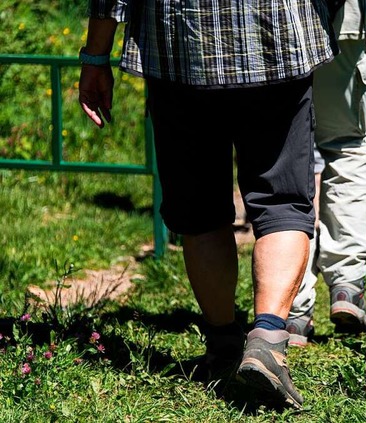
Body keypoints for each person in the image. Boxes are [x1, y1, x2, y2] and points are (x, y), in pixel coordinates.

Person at [78, 0, 337, 410]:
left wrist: (95, 54)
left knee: (198, 209)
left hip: (179, 45)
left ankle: (223, 345)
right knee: (282, 199)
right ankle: (268, 338)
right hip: (278, 39)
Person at [285, 0, 366, 346]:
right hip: (342, 23)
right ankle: (347, 284)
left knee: (289, 157)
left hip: (274, 27)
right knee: (347, 145)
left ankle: (291, 308)